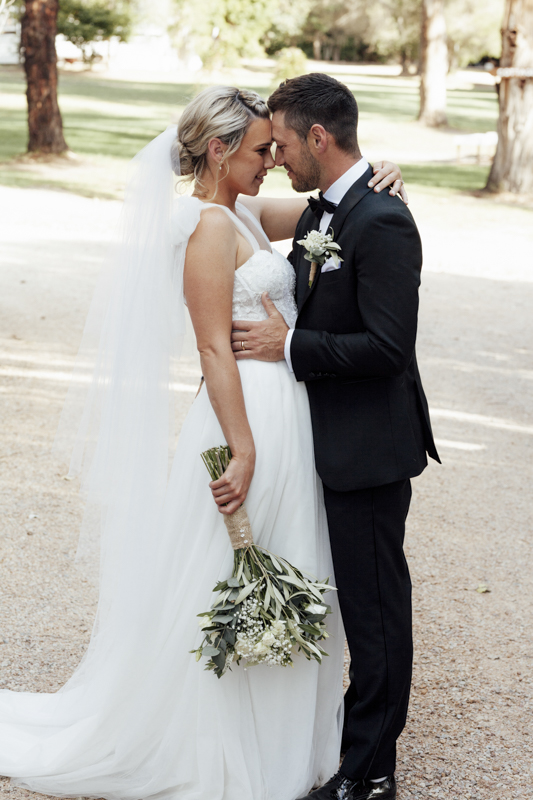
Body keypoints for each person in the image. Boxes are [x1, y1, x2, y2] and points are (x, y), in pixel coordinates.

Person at [0, 85, 406, 800]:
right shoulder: (208, 228)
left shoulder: (241, 210)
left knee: (286, 565)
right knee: (233, 573)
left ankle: (282, 740)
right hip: (245, 418)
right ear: (218, 150)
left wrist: (380, 173)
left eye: (276, 148)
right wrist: (243, 448)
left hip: (285, 413)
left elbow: (326, 211)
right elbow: (214, 350)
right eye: (259, 151)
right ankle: (223, 747)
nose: (272, 163)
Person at [231, 73, 440, 800]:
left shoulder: (379, 219)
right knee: (348, 601)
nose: (278, 156)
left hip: (368, 448)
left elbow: (387, 347)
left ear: (318, 137)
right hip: (321, 441)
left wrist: (289, 348)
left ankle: (369, 771)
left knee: (374, 609)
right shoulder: (328, 209)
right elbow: (235, 198)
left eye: (284, 143)